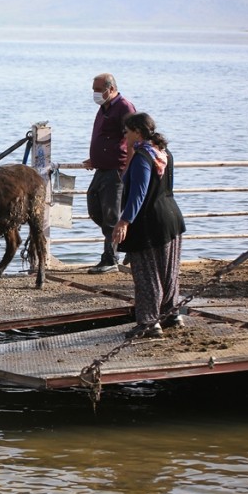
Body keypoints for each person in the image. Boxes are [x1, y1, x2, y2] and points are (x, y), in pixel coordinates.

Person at [112, 112, 186, 339]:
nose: (124, 135)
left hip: (149, 224)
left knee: (147, 275)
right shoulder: (163, 153)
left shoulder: (142, 157)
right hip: (171, 218)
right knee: (168, 272)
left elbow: (139, 192)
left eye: (126, 131)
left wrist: (125, 220)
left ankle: (149, 323)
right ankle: (171, 315)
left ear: (137, 131)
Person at [82, 73, 136, 273]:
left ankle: (110, 259)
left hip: (116, 170)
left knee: (111, 215)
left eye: (98, 90)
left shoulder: (124, 108)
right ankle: (127, 241)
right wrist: (94, 158)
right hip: (101, 168)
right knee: (95, 207)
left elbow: (132, 139)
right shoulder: (103, 108)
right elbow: (104, 138)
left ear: (111, 89)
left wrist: (128, 169)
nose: (95, 94)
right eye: (93, 90)